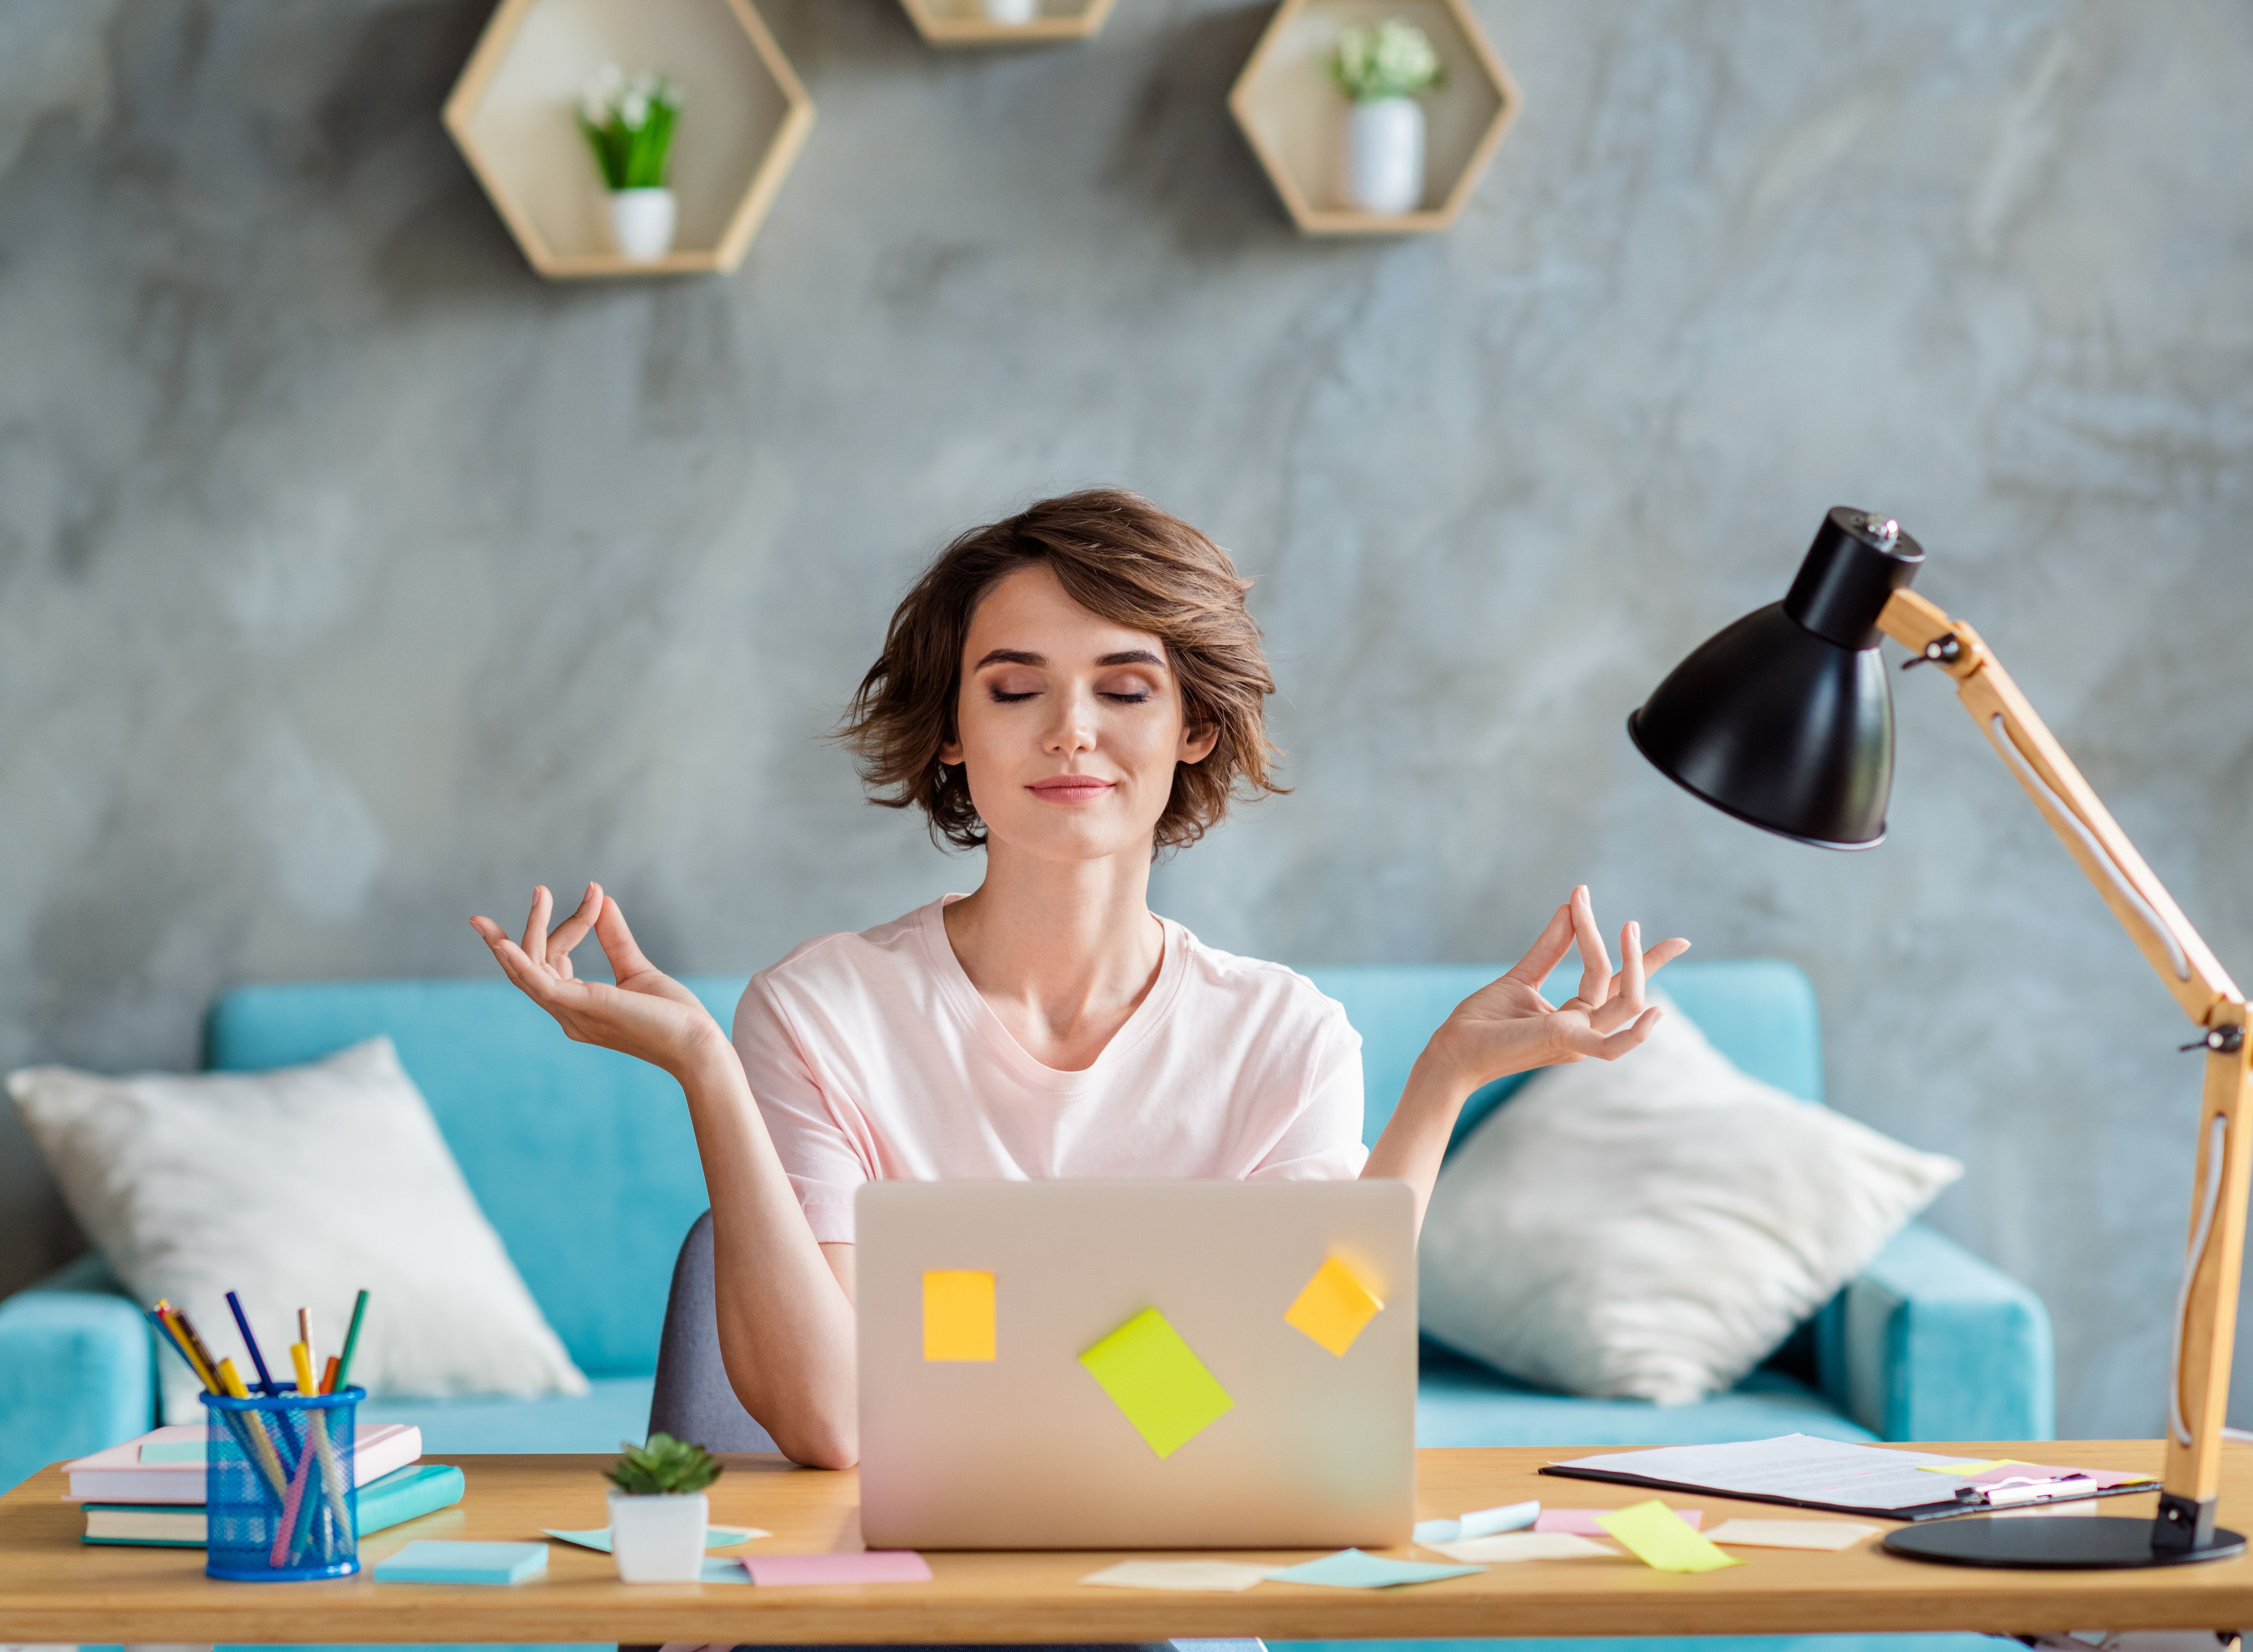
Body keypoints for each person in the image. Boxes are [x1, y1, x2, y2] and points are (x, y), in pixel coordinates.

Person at [474, 489, 1687, 1470]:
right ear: (953, 729)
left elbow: (1311, 1366)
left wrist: (1445, 1084)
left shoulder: (1282, 1035)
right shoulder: (822, 1012)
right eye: (1014, 689)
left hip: (1159, 1595)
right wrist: (705, 1069)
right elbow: (835, 1427)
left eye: (1126, 688)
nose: (1070, 731)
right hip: (891, 1613)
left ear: (1194, 727)